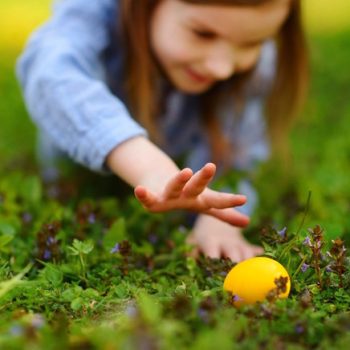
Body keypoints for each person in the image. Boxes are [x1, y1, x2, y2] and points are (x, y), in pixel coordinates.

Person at [16, 0, 308, 262]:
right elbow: (52, 73)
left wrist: (219, 218)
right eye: (202, 33)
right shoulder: (94, 13)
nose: (221, 68)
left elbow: (239, 151)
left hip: (172, 179)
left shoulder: (248, 61)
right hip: (75, 182)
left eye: (252, 44)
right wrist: (147, 166)